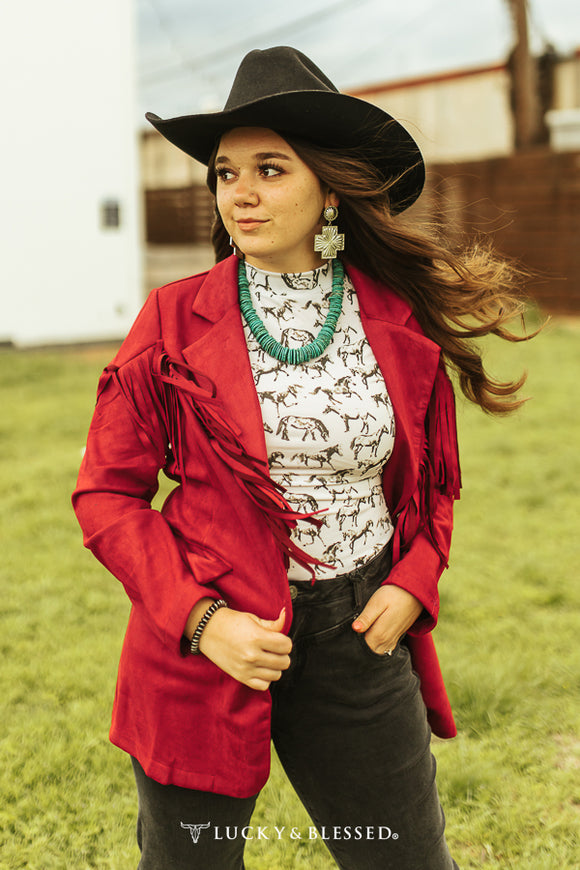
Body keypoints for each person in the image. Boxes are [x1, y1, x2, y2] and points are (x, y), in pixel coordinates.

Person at [73, 46, 530, 870]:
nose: (240, 193)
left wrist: (412, 583)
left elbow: (431, 486)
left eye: (270, 169)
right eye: (224, 172)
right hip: (206, 643)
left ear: (328, 186)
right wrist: (203, 623)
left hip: (360, 636)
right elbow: (106, 495)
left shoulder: (396, 318)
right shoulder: (173, 321)